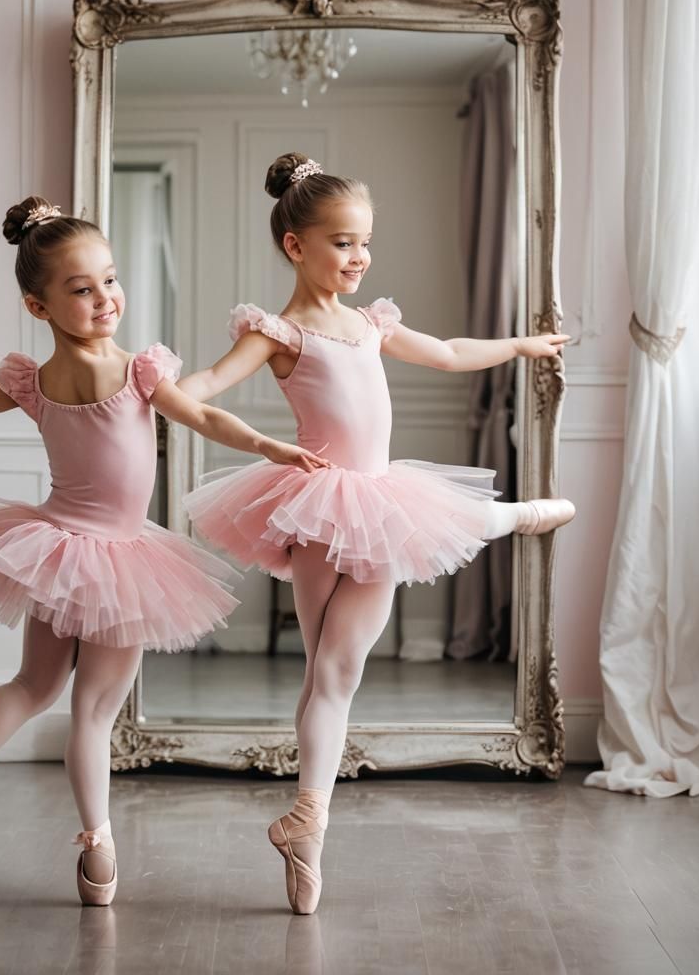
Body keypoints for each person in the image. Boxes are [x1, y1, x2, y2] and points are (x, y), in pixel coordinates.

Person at [0, 196, 329, 905]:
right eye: (82, 289)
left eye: (110, 280)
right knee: (92, 713)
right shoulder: (137, 372)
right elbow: (204, 415)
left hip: (55, 550)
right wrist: (270, 445)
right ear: (39, 306)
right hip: (115, 561)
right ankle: (97, 850)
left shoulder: (35, 383)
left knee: (32, 687)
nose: (105, 298)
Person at [177, 154, 575, 914]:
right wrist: (150, 390)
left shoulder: (370, 325)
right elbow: (203, 387)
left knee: (335, 673)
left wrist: (520, 346)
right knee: (328, 674)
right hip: (317, 509)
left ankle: (305, 824)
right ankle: (307, 826)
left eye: (365, 242)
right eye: (343, 243)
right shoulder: (280, 333)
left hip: (381, 504)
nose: (359, 256)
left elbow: (449, 354)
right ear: (296, 246)